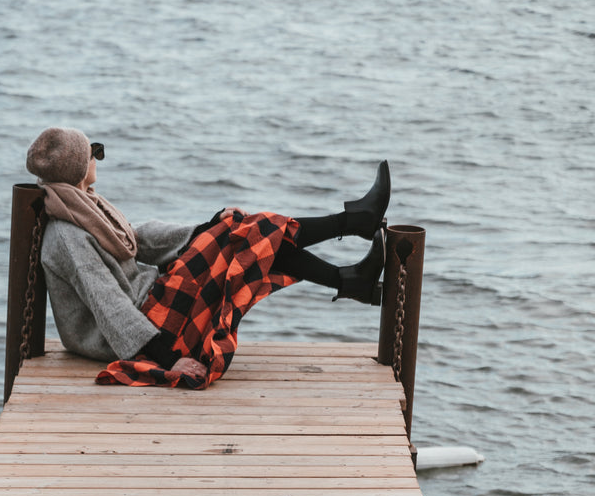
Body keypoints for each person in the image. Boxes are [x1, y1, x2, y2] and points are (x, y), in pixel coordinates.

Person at [26, 126, 390, 390]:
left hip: (152, 305)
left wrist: (206, 227)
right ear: (76, 167)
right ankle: (354, 240)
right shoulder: (67, 234)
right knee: (246, 237)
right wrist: (167, 359)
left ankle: (352, 266)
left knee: (243, 235)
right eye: (94, 151)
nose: (98, 157)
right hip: (142, 327)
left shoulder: (85, 206)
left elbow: (137, 237)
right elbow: (108, 303)